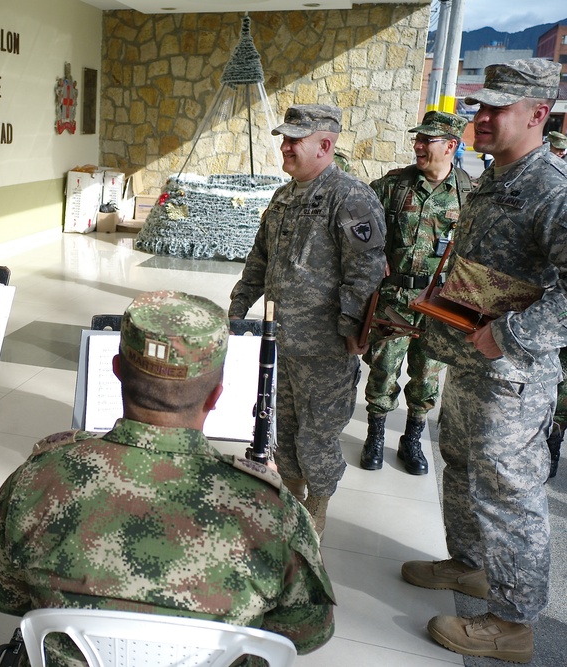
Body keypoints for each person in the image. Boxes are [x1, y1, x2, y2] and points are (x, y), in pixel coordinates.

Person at [0, 291, 335, 665]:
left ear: (116, 369)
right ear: (215, 396)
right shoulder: (275, 512)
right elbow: (308, 631)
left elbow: (4, 595)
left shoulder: (39, 478)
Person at [403, 58, 567, 663]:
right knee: (461, 463)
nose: (484, 118)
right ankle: (469, 565)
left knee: (509, 491)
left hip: (512, 376)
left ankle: (515, 623)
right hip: (470, 363)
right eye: (482, 105)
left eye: (500, 108)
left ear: (538, 115)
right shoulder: (494, 178)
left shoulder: (551, 190)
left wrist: (515, 334)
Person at [228, 104, 386, 535]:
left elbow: (367, 270)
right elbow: (259, 260)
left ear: (325, 145)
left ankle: (315, 516)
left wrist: (353, 328)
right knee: (286, 426)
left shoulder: (350, 197)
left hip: (326, 348)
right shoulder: (283, 197)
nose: (286, 146)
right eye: (285, 138)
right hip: (279, 341)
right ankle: (292, 504)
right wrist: (238, 309)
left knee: (318, 435)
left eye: (295, 139)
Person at [360, 111, 473, 475]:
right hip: (394, 299)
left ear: (451, 146)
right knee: (382, 370)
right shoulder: (394, 185)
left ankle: (411, 439)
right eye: (418, 139)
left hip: (440, 305)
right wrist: (374, 254)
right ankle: (375, 436)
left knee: (427, 376)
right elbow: (357, 218)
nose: (418, 146)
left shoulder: (469, 194)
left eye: (427, 140)